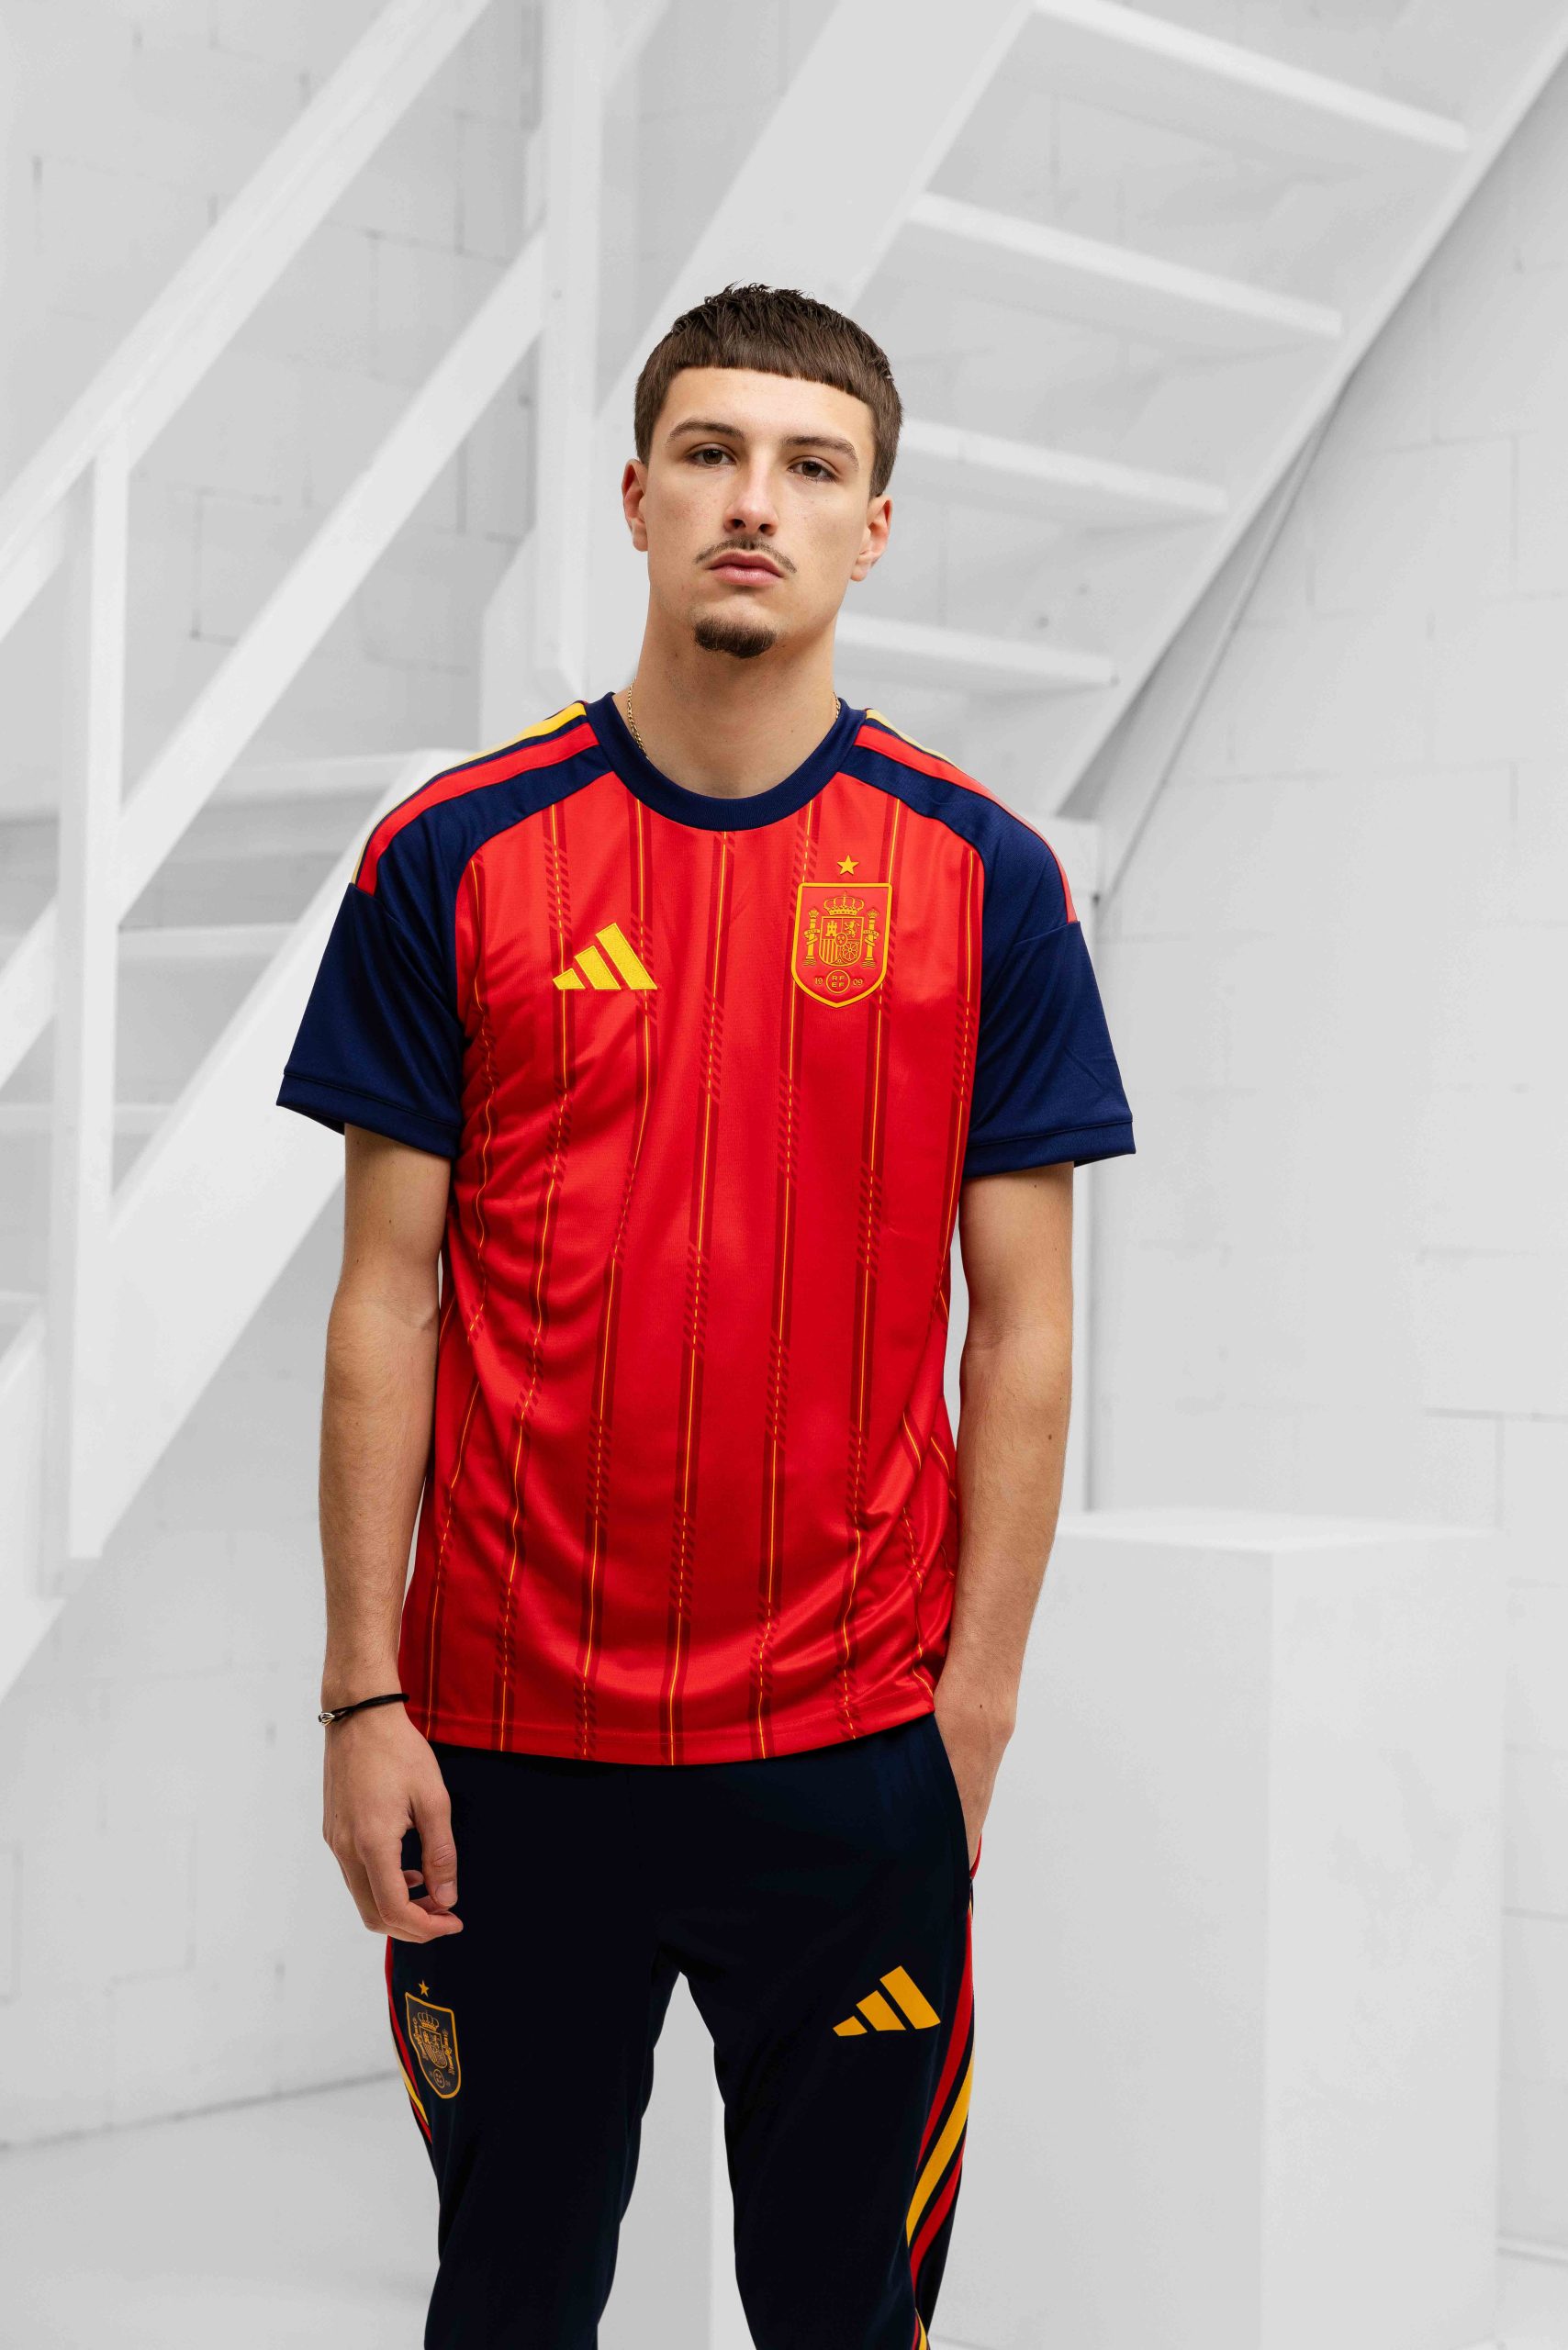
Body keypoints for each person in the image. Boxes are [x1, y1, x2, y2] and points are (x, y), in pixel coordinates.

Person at [277, 281, 1136, 2350]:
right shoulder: (449, 857)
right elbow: (386, 1294)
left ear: (872, 526)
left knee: (844, 2312)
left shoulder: (985, 878)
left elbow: (1023, 1329)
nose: (757, 499)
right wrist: (361, 1695)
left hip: (846, 1752)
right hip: (503, 1752)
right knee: (508, 2301)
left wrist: (975, 1706)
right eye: (712, 452)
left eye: (811, 465)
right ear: (639, 497)